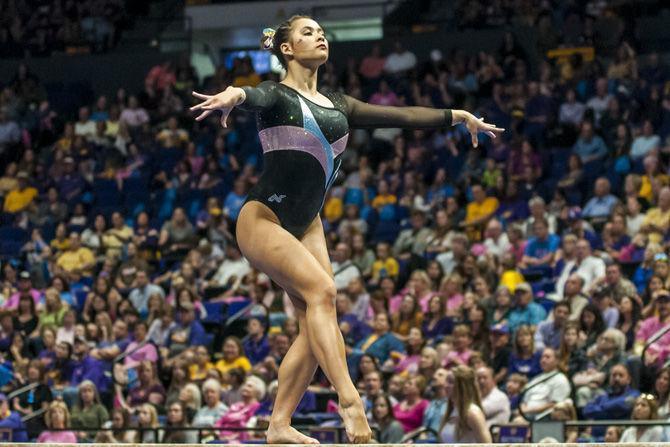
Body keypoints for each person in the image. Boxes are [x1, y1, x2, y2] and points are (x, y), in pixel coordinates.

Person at [190, 15, 503, 444]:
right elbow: (254, 95)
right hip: (263, 218)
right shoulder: (278, 96)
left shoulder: (340, 104)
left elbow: (403, 115)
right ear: (286, 49)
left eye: (321, 31)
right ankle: (351, 404)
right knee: (324, 293)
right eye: (306, 32)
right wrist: (233, 93)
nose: (318, 36)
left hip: (308, 222)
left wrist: (458, 115)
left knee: (315, 323)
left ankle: (279, 425)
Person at [439, 365, 492, 443]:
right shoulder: (449, 411)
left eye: (450, 382)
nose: (445, 385)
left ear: (462, 386)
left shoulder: (473, 413)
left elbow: (487, 444)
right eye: (446, 381)